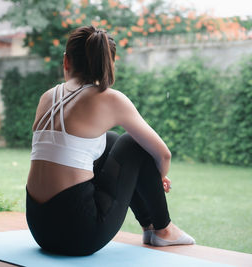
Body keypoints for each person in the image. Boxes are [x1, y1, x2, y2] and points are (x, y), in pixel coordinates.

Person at [26, 25, 195, 256]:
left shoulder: (48, 97)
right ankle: (163, 228)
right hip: (80, 234)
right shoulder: (110, 99)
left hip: (40, 229)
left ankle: (149, 226)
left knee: (111, 139)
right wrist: (155, 180)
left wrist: (147, 179)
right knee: (133, 143)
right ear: (108, 63)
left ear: (66, 61)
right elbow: (163, 154)